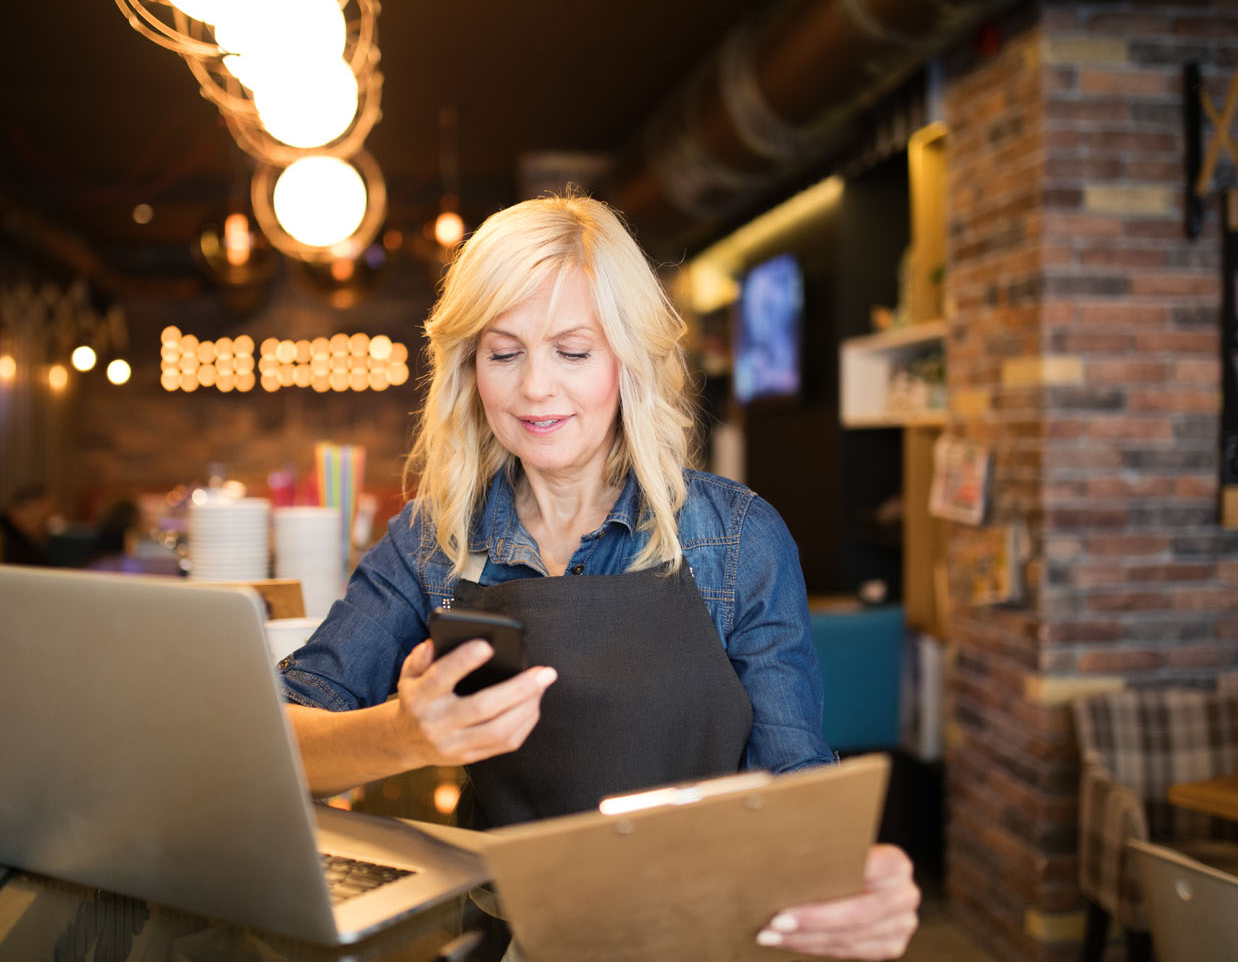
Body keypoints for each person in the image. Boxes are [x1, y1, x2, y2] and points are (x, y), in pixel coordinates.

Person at [278, 194, 919, 959]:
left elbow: (792, 787)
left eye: (573, 352)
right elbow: (276, 741)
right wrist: (403, 734)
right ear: (469, 367)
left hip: (709, 935)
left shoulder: (737, 537)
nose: (534, 389)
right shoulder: (432, 541)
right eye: (503, 352)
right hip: (519, 935)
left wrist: (853, 880)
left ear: (628, 360)